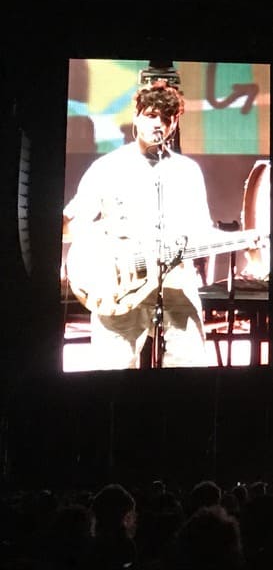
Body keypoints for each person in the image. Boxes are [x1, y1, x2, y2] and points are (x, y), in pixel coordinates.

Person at [63, 79, 222, 367]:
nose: (158, 124)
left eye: (167, 118)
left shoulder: (187, 171)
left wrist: (247, 239)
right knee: (112, 369)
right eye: (151, 115)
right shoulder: (108, 167)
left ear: (174, 124)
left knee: (190, 366)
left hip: (176, 280)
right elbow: (76, 219)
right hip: (121, 282)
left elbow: (201, 228)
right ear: (136, 116)